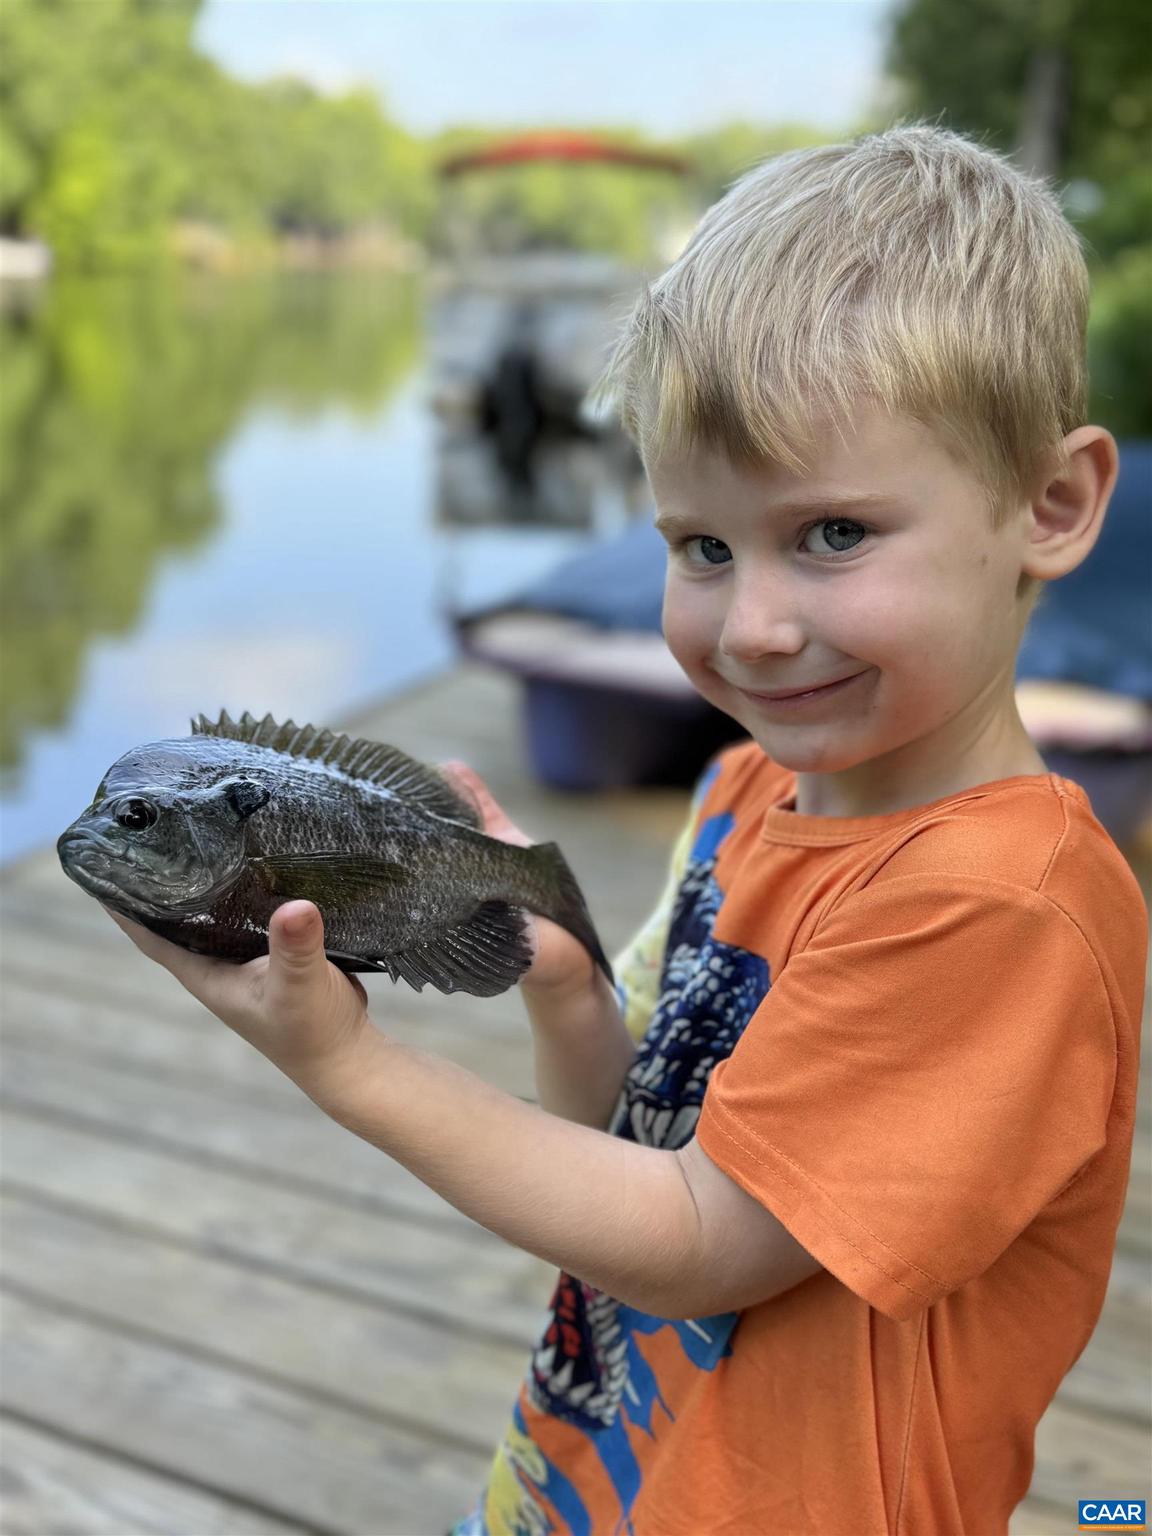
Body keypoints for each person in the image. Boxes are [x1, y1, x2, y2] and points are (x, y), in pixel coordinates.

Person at [108, 126, 1147, 1536]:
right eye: (701, 548)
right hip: (590, 1483)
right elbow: (628, 1132)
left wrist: (349, 1066)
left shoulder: (996, 908)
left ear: (1053, 503)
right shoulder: (744, 797)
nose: (756, 626)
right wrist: (573, 992)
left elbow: (704, 1242)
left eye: (834, 535)